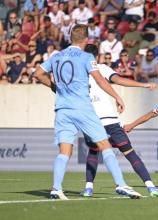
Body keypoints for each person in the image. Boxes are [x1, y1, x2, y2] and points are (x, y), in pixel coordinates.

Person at [34, 24, 141, 200]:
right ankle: (121, 185)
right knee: (105, 145)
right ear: (86, 39)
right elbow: (99, 80)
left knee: (64, 151)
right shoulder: (86, 56)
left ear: (70, 37)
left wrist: (55, 88)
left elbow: (38, 74)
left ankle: (56, 188)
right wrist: (117, 97)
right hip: (82, 108)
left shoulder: (56, 56)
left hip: (62, 109)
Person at [81, 44, 158, 198]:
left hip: (91, 120)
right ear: (97, 56)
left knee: (93, 152)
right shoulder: (100, 68)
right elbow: (119, 80)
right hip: (109, 119)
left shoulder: (77, 72)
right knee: (129, 153)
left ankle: (88, 189)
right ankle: (151, 187)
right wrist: (144, 84)